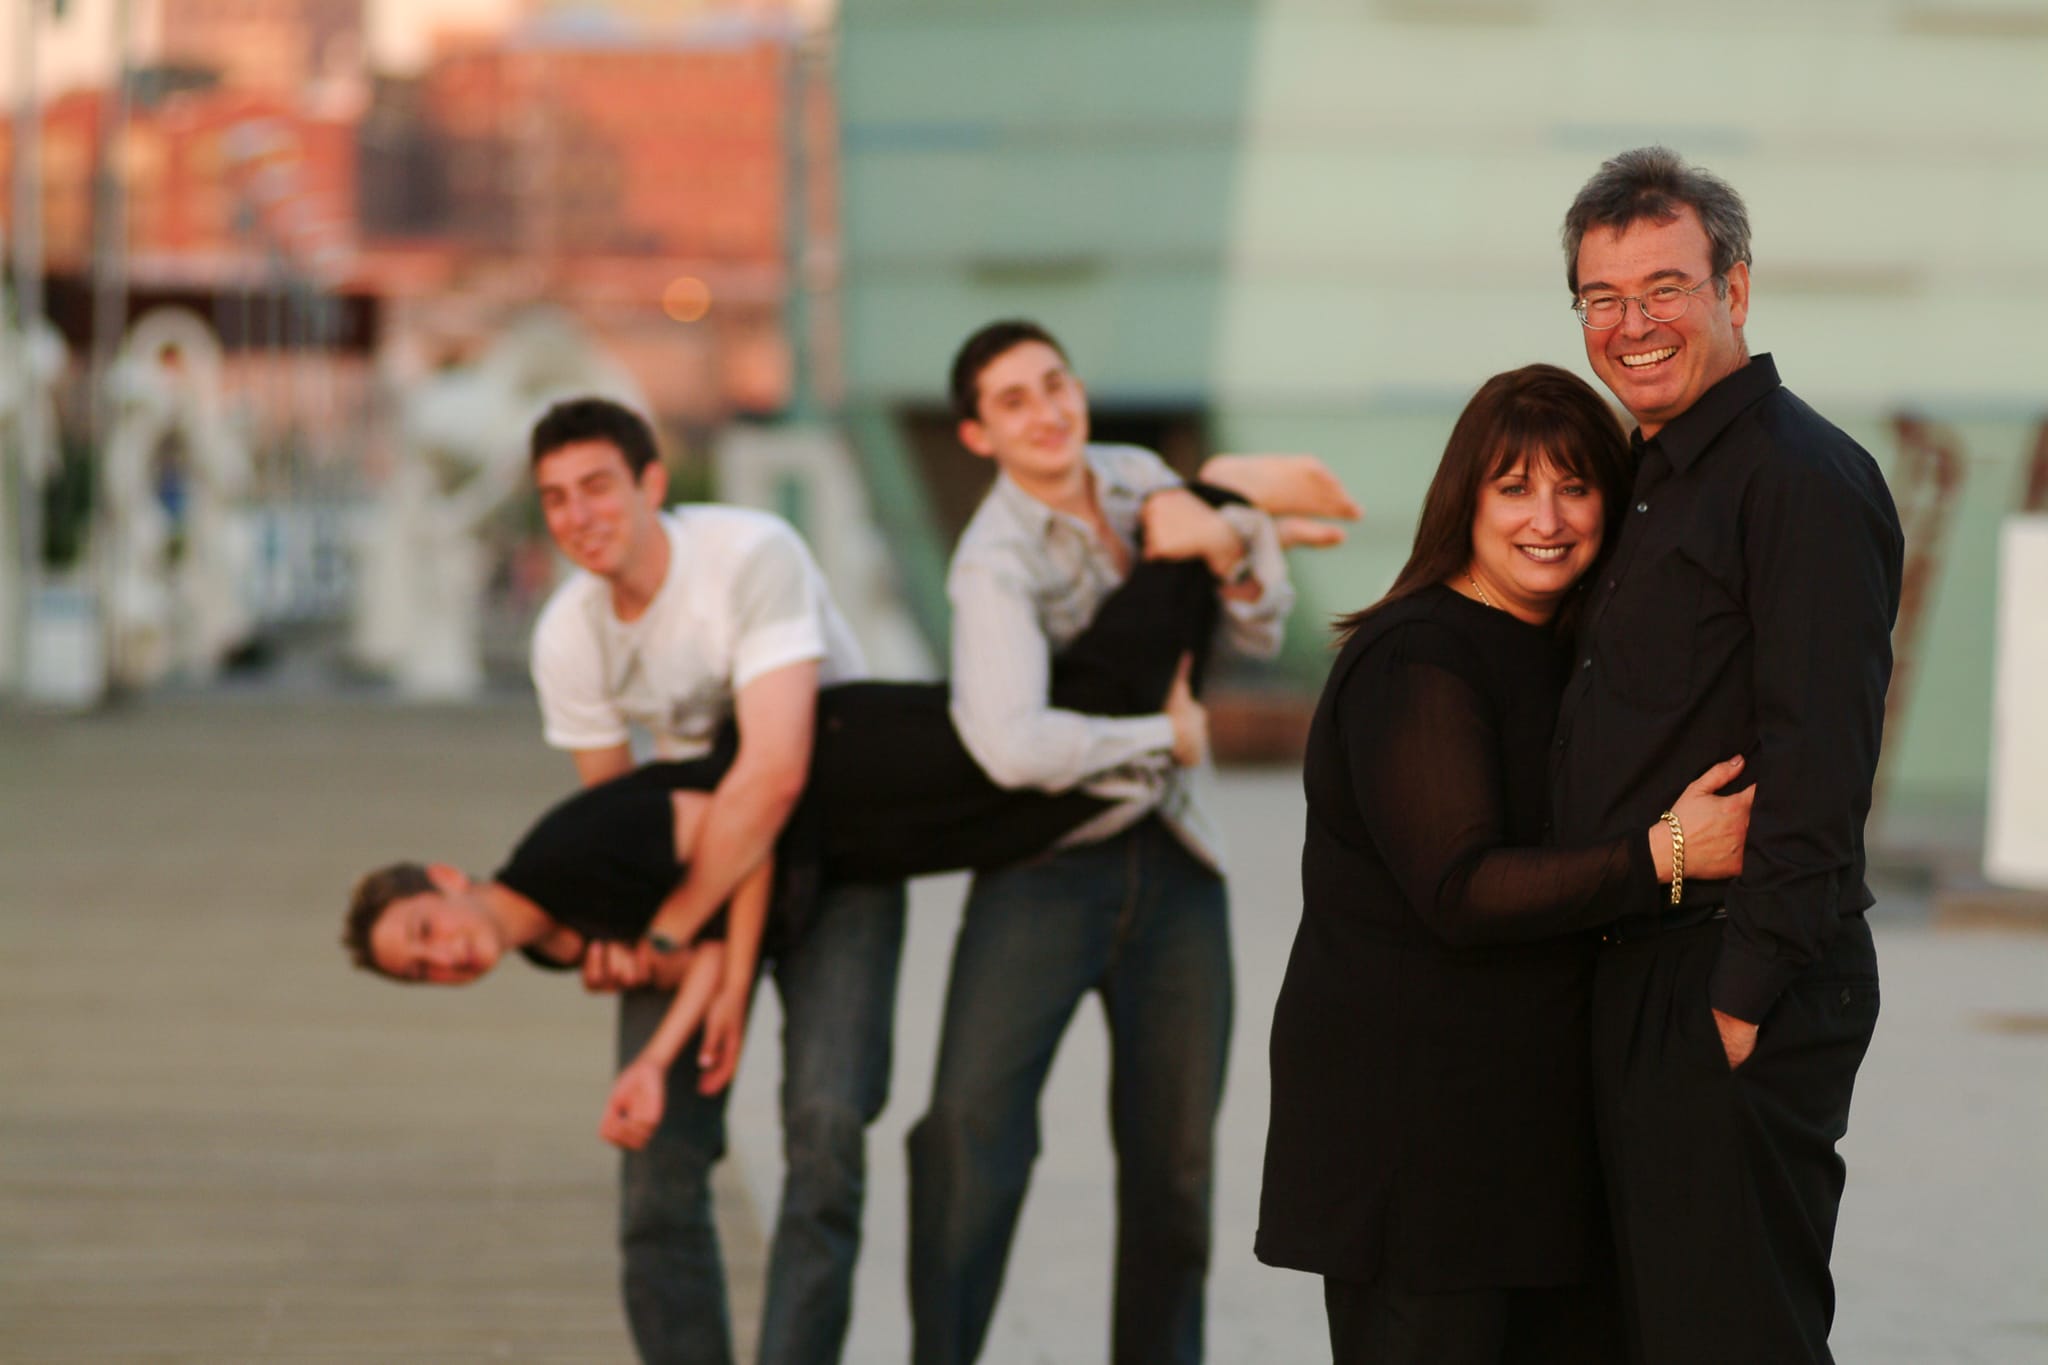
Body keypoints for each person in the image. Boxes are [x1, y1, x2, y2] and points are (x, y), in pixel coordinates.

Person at [1255, 364, 1754, 1363]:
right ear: (1463, 502)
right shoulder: (1419, 657)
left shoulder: (1572, 657)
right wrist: (1666, 855)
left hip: (1531, 1134)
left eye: (1575, 487)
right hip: (1416, 1141)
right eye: (1515, 487)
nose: (1548, 518)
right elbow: (1459, 889)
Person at [1554, 148, 1903, 1365]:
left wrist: (1739, 998)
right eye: (1601, 297)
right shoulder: (1650, 477)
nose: (1631, 324)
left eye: (1664, 287)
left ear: (1734, 290)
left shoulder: (1796, 479)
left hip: (1727, 974)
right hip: (1644, 963)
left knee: (1729, 1339)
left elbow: (1823, 755)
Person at [906, 319, 1300, 1365]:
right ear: (978, 433)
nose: (1044, 413)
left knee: (1173, 1169)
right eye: (1012, 402)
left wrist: (1225, 544)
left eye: (1053, 384)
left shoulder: (1135, 477)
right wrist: (1158, 736)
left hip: (1177, 861)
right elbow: (1010, 745)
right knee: (965, 1131)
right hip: (1045, 869)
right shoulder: (989, 565)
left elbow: (1256, 629)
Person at [522, 395, 904, 1365]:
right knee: (655, 1163)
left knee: (823, 1135)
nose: (579, 515)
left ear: (652, 485)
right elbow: (618, 833)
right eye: (555, 499)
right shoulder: (566, 636)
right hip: (695, 869)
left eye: (598, 486)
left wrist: (673, 942)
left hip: (838, 854)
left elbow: (773, 775)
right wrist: (661, 950)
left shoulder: (749, 554)